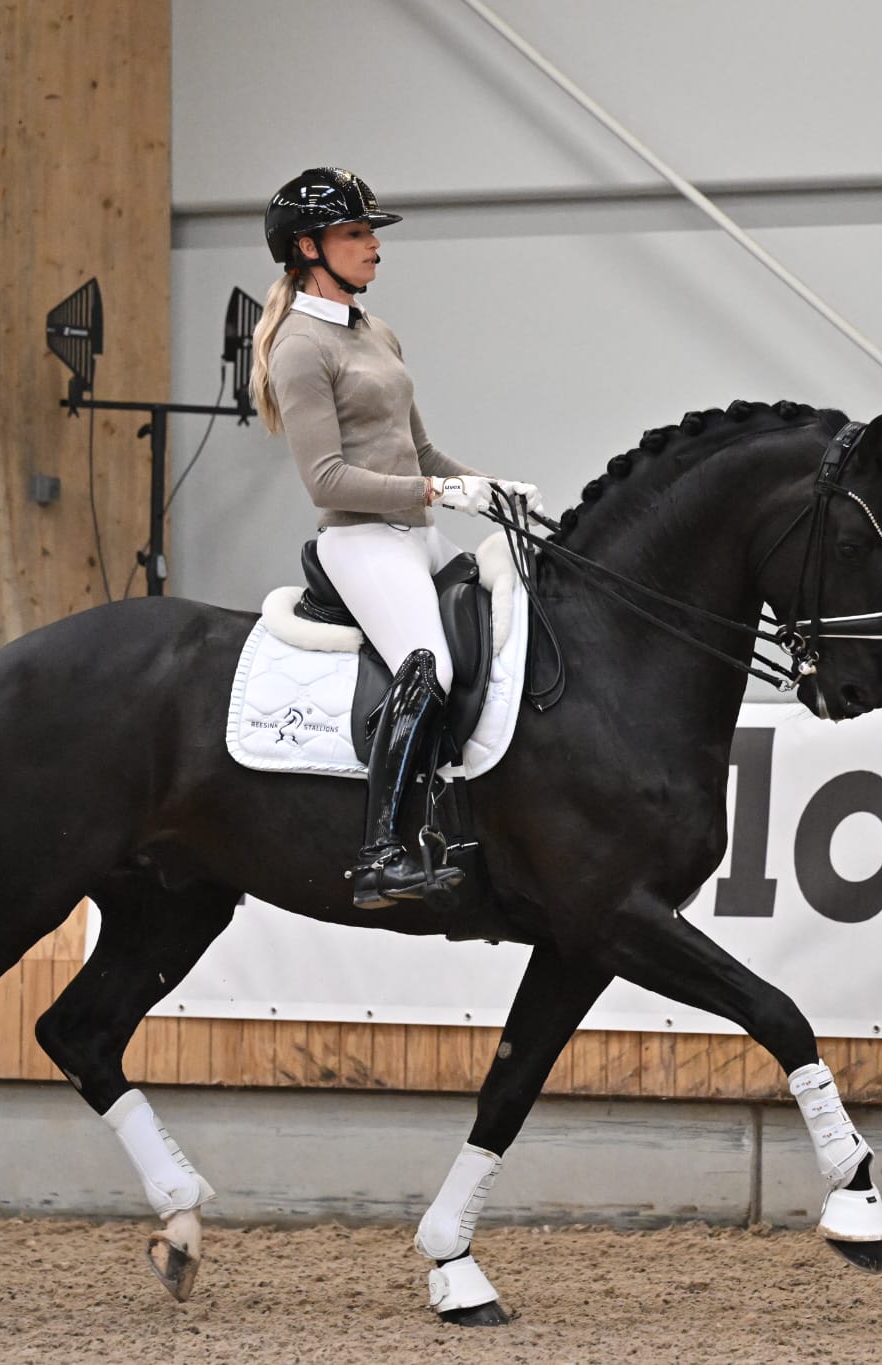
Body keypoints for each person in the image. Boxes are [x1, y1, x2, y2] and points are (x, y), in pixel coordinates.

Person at [251, 167, 533, 910]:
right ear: (308, 247)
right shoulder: (299, 347)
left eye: (371, 232)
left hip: (416, 533)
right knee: (430, 664)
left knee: (508, 624)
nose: (374, 245)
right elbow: (327, 480)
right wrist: (436, 493)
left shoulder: (377, 332)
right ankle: (379, 850)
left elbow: (421, 455)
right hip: (361, 540)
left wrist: (493, 491)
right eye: (356, 233)